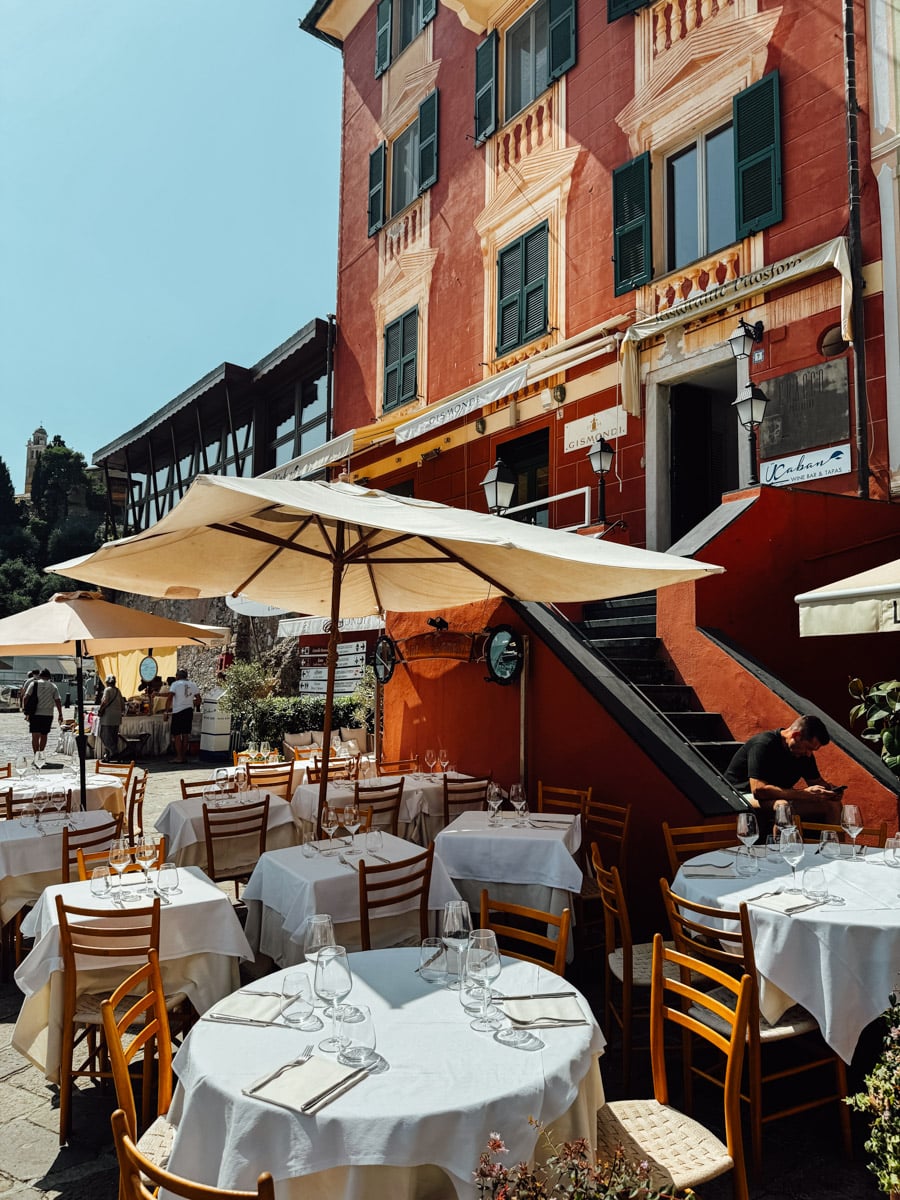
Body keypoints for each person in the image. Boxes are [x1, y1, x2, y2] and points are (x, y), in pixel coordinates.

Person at [724, 714, 844, 827]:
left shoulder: (803, 755)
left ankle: (834, 847)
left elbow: (816, 782)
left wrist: (831, 792)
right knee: (782, 806)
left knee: (832, 805)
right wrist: (804, 794)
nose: (809, 754)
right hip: (740, 795)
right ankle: (783, 846)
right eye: (808, 748)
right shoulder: (764, 744)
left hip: (778, 796)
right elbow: (758, 790)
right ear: (796, 736)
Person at [21, 668, 63, 755]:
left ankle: (36, 755)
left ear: (40, 676)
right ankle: (41, 754)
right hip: (48, 714)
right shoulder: (53, 686)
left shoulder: (33, 684)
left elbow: (26, 697)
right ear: (49, 676)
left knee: (35, 736)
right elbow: (58, 700)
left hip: (35, 714)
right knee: (44, 735)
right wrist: (60, 714)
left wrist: (25, 710)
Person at [169, 667, 201, 763]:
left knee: (177, 735)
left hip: (178, 711)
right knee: (186, 734)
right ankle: (183, 756)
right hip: (188, 711)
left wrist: (166, 711)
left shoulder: (175, 684)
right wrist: (190, 703)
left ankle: (179, 757)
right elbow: (199, 699)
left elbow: (170, 696)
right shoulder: (193, 684)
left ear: (177, 677)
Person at [97, 674, 126, 763]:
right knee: (113, 737)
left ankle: (114, 752)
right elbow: (122, 704)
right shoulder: (118, 691)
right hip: (116, 718)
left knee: (105, 735)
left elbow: (105, 701)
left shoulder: (107, 690)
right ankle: (109, 755)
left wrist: (100, 710)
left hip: (107, 717)